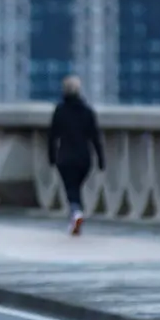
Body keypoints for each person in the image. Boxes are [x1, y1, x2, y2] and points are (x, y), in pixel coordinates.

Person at [47, 75, 105, 235]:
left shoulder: (60, 111)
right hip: (84, 158)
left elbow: (52, 136)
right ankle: (76, 214)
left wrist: (51, 157)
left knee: (71, 188)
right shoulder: (87, 111)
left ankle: (76, 212)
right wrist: (101, 159)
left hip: (65, 157)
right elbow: (95, 137)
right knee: (76, 186)